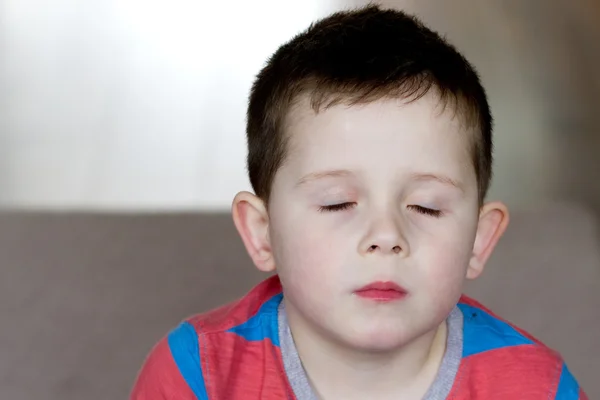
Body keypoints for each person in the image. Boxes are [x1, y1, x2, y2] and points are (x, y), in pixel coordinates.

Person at [131, 4, 587, 399]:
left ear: (479, 240)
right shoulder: (197, 377)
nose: (386, 236)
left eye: (426, 206)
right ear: (261, 231)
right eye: (337, 203)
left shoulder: (540, 389)